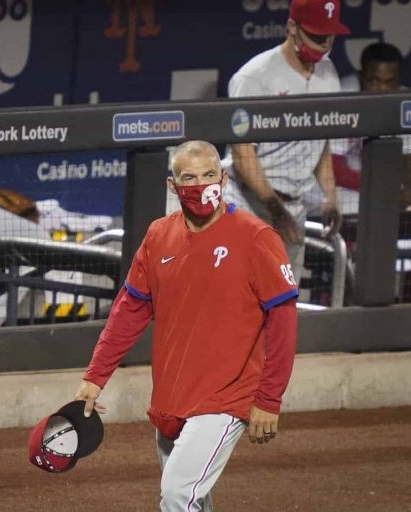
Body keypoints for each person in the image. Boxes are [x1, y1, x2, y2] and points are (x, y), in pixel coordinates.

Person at [75, 140, 298, 512]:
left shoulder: (255, 238)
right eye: (189, 177)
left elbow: (283, 321)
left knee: (179, 495)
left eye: (209, 175)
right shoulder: (159, 235)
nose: (200, 185)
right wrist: (95, 376)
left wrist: (268, 399)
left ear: (223, 179)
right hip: (171, 396)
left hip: (226, 397)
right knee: (193, 498)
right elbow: (129, 311)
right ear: (172, 185)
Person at [223, 0, 350, 285]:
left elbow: (321, 141)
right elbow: (243, 155)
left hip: (293, 206)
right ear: (292, 27)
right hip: (246, 200)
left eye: (330, 36)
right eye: (317, 36)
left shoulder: (329, 74)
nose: (324, 45)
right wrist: (275, 210)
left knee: (281, 301)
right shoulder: (254, 77)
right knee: (237, 296)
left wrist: (330, 196)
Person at [305, 42, 411, 216]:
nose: (382, 89)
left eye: (389, 82)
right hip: (333, 185)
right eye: (374, 80)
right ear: (361, 76)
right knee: (364, 207)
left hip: (378, 186)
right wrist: (387, 194)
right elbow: (333, 170)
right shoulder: (343, 98)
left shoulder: (405, 104)